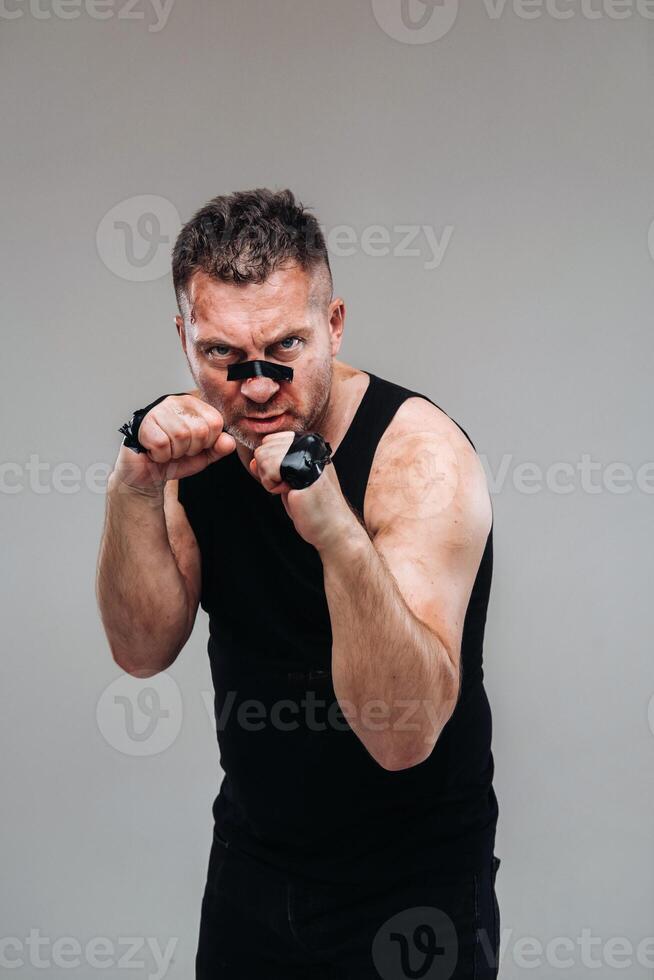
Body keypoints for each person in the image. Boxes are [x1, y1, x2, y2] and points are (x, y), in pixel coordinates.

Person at [96, 188, 502, 979]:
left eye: (286, 346)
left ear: (335, 325)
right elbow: (141, 650)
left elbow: (402, 734)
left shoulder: (418, 457)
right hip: (253, 868)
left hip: (412, 890)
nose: (256, 385)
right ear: (185, 339)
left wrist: (331, 526)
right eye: (222, 355)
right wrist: (134, 483)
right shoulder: (192, 445)